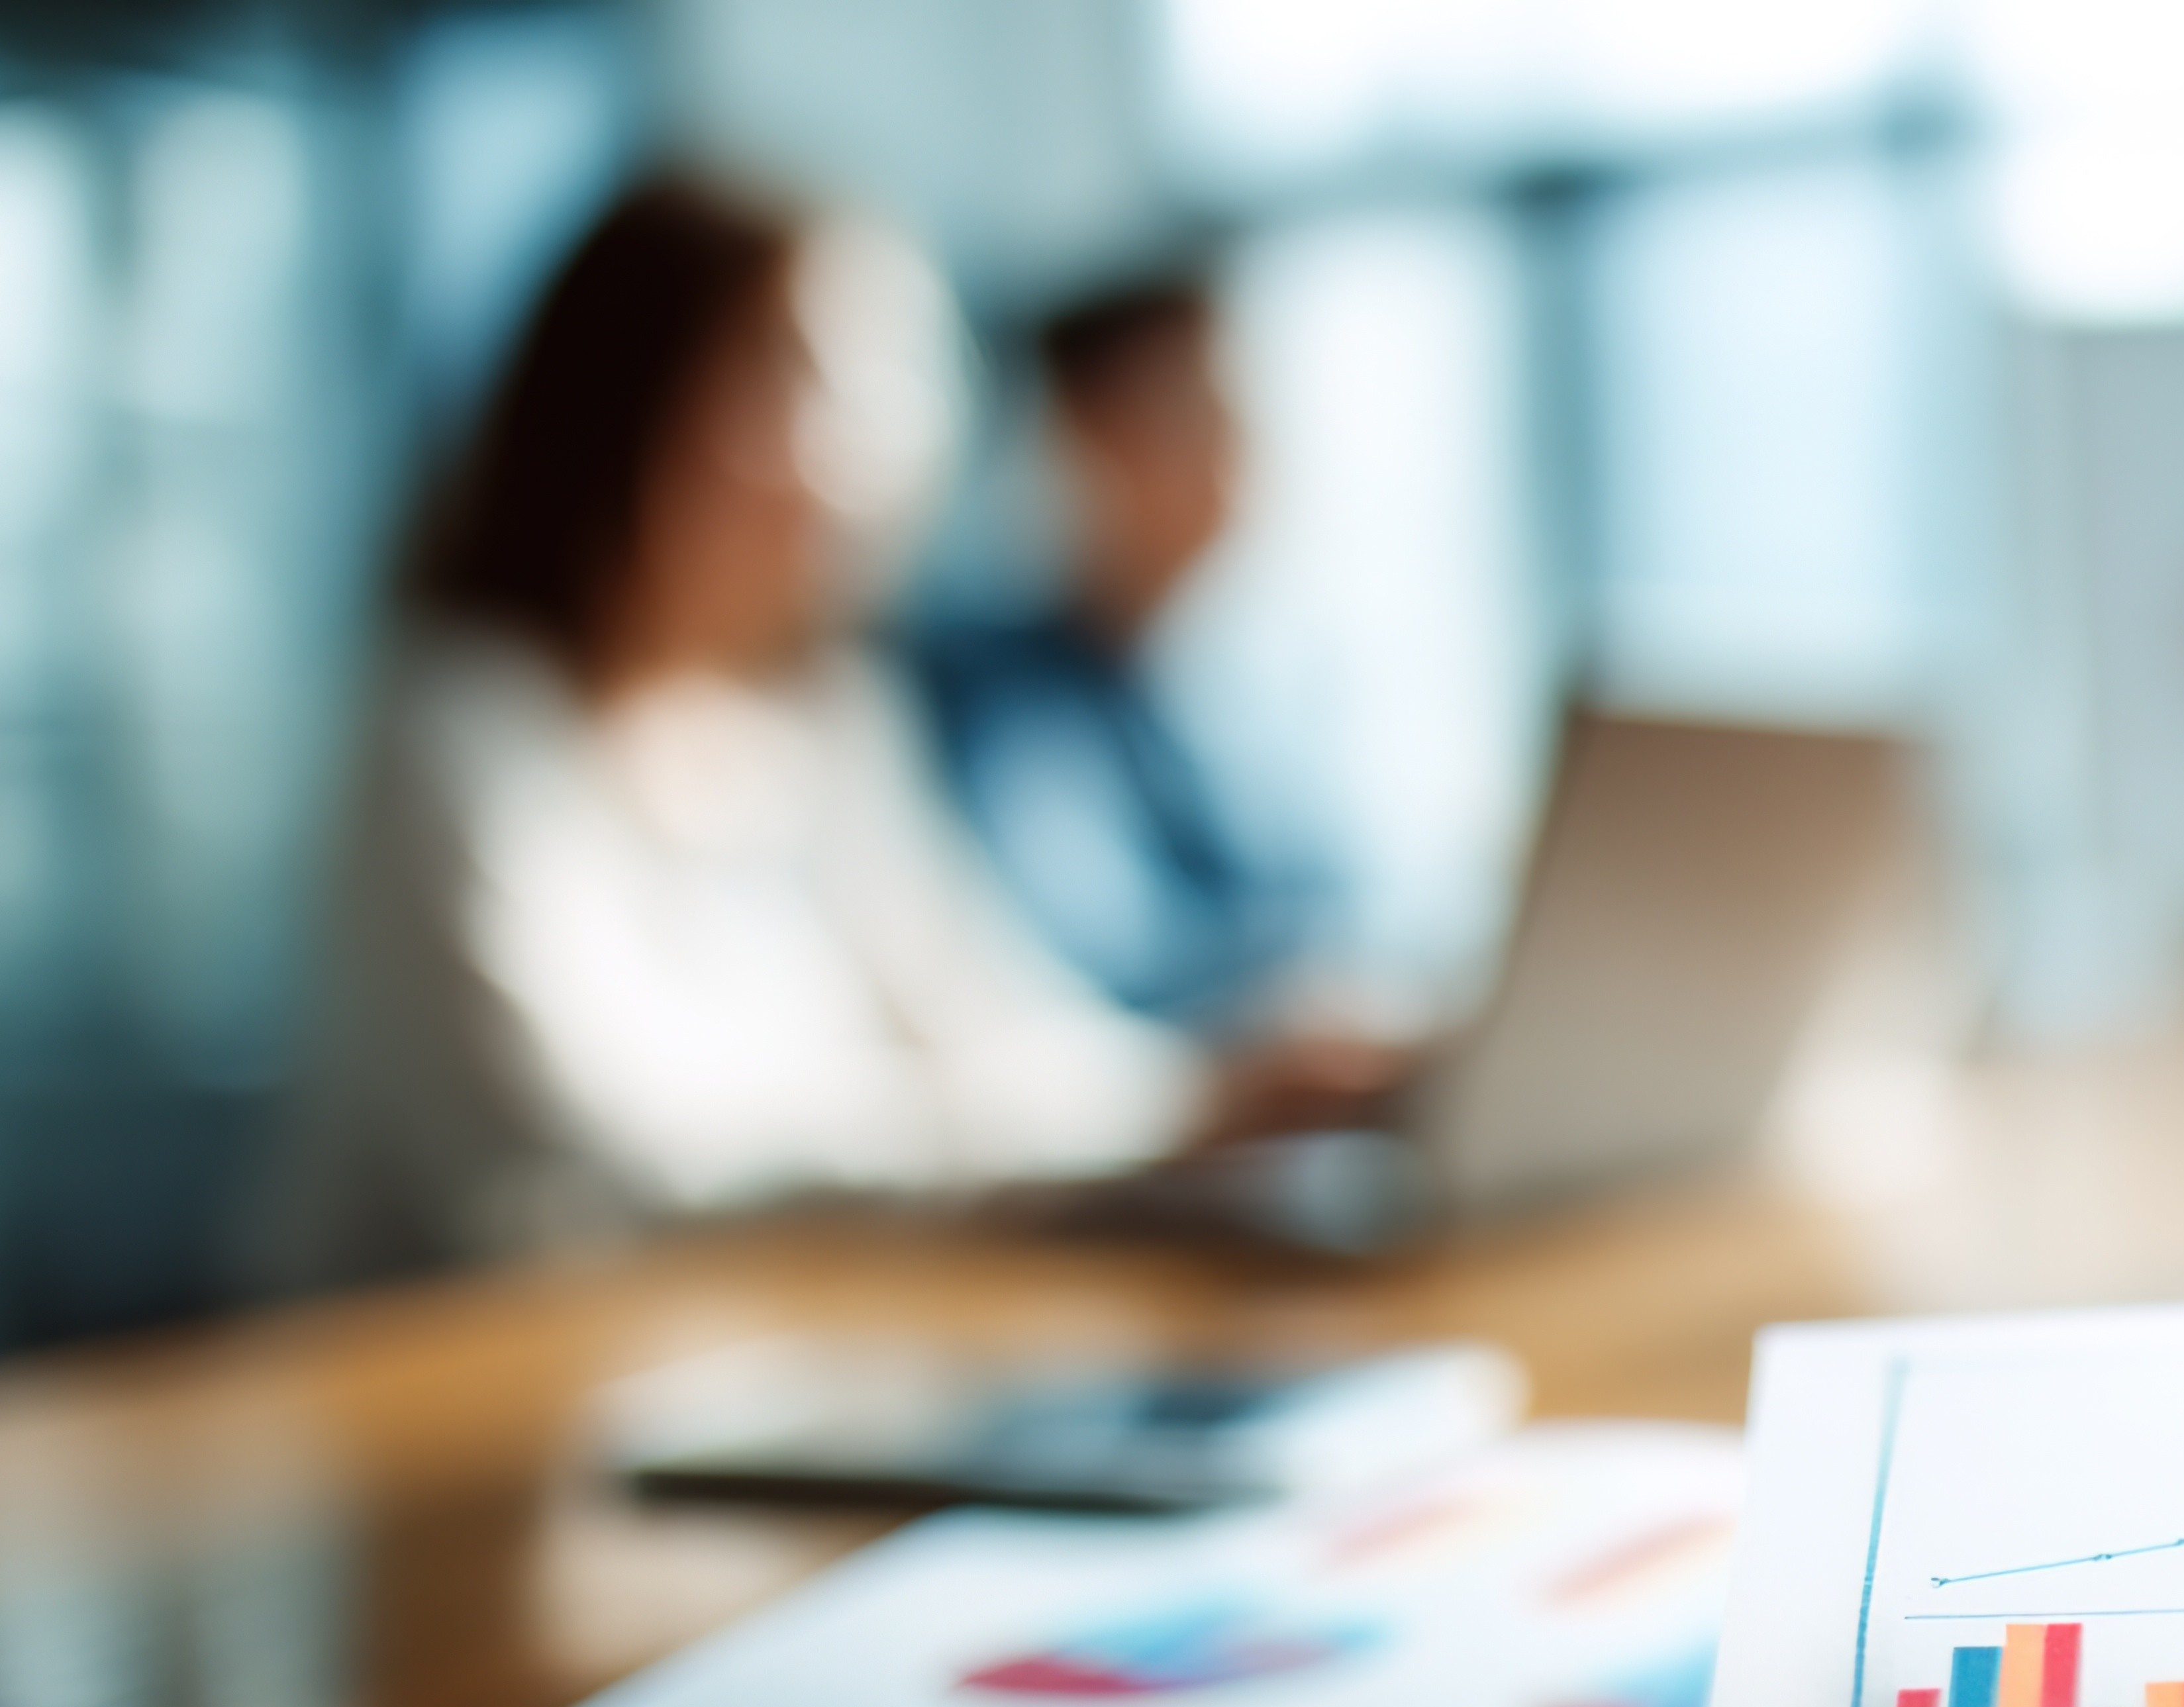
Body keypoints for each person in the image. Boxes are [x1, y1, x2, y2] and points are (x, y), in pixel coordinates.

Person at [248, 175, 1208, 1289]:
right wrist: (1084, 1134)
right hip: (449, 1410)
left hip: (776, 1370)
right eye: (797, 380)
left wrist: (1213, 1092)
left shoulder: (823, 725)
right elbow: (582, 1193)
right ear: (624, 394)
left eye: (891, 390)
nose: (859, 459)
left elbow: (991, 1027)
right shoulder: (458, 739)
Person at [905, 255, 1397, 1128]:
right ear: (1081, 438)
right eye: (1192, 412)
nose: (1236, 447)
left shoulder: (1260, 695)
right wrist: (1268, 1038)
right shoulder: (977, 696)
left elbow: (1360, 920)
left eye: (1238, 408)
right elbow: (1086, 973)